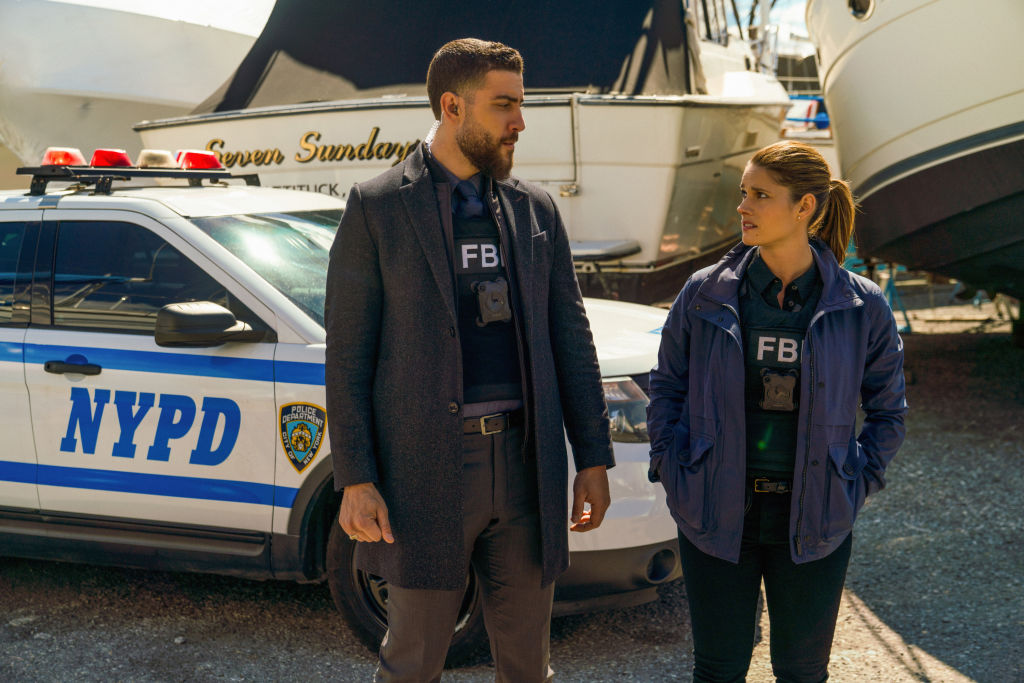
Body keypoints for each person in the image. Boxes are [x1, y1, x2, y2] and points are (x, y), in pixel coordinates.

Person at [324, 38, 613, 682]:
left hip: (522, 465)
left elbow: (571, 336)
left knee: (527, 666)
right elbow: (347, 357)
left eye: (521, 103)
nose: (520, 120)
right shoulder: (376, 208)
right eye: (505, 104)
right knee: (413, 662)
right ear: (453, 106)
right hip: (422, 471)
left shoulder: (534, 210)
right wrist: (356, 477)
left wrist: (592, 456)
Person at [647, 140, 907, 682]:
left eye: (760, 195)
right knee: (717, 669)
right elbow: (667, 386)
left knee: (803, 672)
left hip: (814, 517)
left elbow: (888, 411)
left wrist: (855, 481)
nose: (742, 206)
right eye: (743, 193)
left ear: (805, 206)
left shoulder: (862, 307)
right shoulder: (705, 294)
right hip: (715, 513)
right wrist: (675, 469)